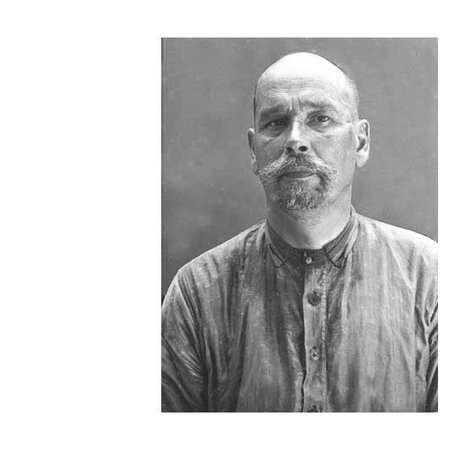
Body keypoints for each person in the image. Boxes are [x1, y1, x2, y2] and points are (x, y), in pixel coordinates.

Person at [161, 52, 438, 412]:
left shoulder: (429, 277)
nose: (295, 140)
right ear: (254, 150)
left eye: (320, 119)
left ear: (360, 142)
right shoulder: (196, 291)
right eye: (276, 122)